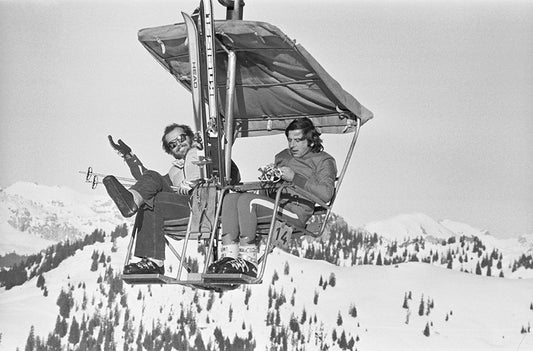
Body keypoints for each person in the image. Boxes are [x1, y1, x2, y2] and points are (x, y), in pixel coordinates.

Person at [103, 123, 240, 275]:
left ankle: (154, 260)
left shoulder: (203, 154)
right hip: (183, 208)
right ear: (170, 151)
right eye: (173, 144)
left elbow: (229, 172)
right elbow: (148, 182)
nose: (178, 144)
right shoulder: (175, 171)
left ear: (190, 136)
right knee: (152, 181)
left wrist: (212, 145)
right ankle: (133, 202)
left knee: (154, 197)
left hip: (205, 207)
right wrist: (128, 157)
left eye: (181, 138)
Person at [207, 117, 337, 277]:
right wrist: (269, 180)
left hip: (295, 213)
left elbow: (326, 194)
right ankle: (229, 256)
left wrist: (295, 177)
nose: (292, 145)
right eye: (290, 140)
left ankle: (249, 261)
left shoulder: (324, 161)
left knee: (249, 201)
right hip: (275, 204)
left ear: (311, 141)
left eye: (298, 140)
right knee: (231, 199)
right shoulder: (283, 156)